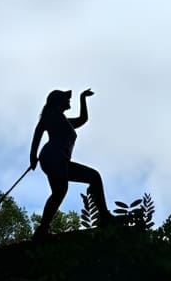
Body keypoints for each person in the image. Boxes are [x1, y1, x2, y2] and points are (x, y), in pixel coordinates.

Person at [30, 87, 112, 241]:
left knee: (63, 191)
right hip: (53, 157)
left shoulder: (64, 120)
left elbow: (82, 119)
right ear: (58, 102)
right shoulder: (52, 115)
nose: (69, 101)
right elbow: (38, 131)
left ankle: (42, 230)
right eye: (67, 99)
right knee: (64, 190)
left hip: (58, 160)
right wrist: (32, 156)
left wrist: (83, 98)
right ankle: (105, 216)